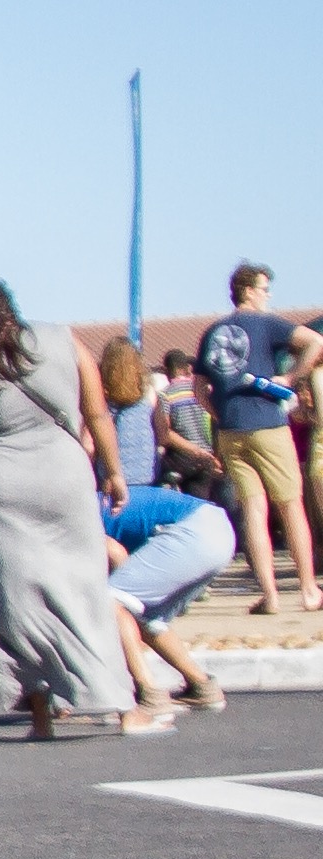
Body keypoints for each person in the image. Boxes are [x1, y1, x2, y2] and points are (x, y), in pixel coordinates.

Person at [0, 276, 172, 738]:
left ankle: (42, 715)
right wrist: (114, 471)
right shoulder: (63, 340)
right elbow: (97, 411)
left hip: (2, 484)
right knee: (84, 588)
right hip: (65, 476)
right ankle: (124, 708)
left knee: (14, 599)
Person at [195, 264, 321, 616]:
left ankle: (270, 595)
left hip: (231, 430)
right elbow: (315, 342)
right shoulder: (267, 324)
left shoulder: (213, 331)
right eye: (265, 289)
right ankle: (309, 589)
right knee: (291, 505)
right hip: (267, 423)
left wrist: (219, 414)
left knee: (253, 509)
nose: (268, 296)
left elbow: (199, 388)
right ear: (248, 290)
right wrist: (293, 376)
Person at [105, 483, 234, 711]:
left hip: (194, 531)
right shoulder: (90, 500)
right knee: (146, 617)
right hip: (216, 529)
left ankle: (149, 694)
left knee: (108, 602)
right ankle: (203, 688)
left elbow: (114, 551)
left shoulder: (75, 513)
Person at [155, 347, 223, 501]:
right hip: (210, 458)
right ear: (187, 368)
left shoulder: (165, 395)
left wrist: (194, 450)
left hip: (185, 460)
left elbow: (165, 434)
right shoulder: (203, 392)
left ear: (167, 371)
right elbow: (217, 423)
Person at [97, 337, 160, 491]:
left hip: (109, 479)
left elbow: (90, 444)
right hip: (146, 474)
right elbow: (163, 435)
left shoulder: (100, 399)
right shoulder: (149, 395)